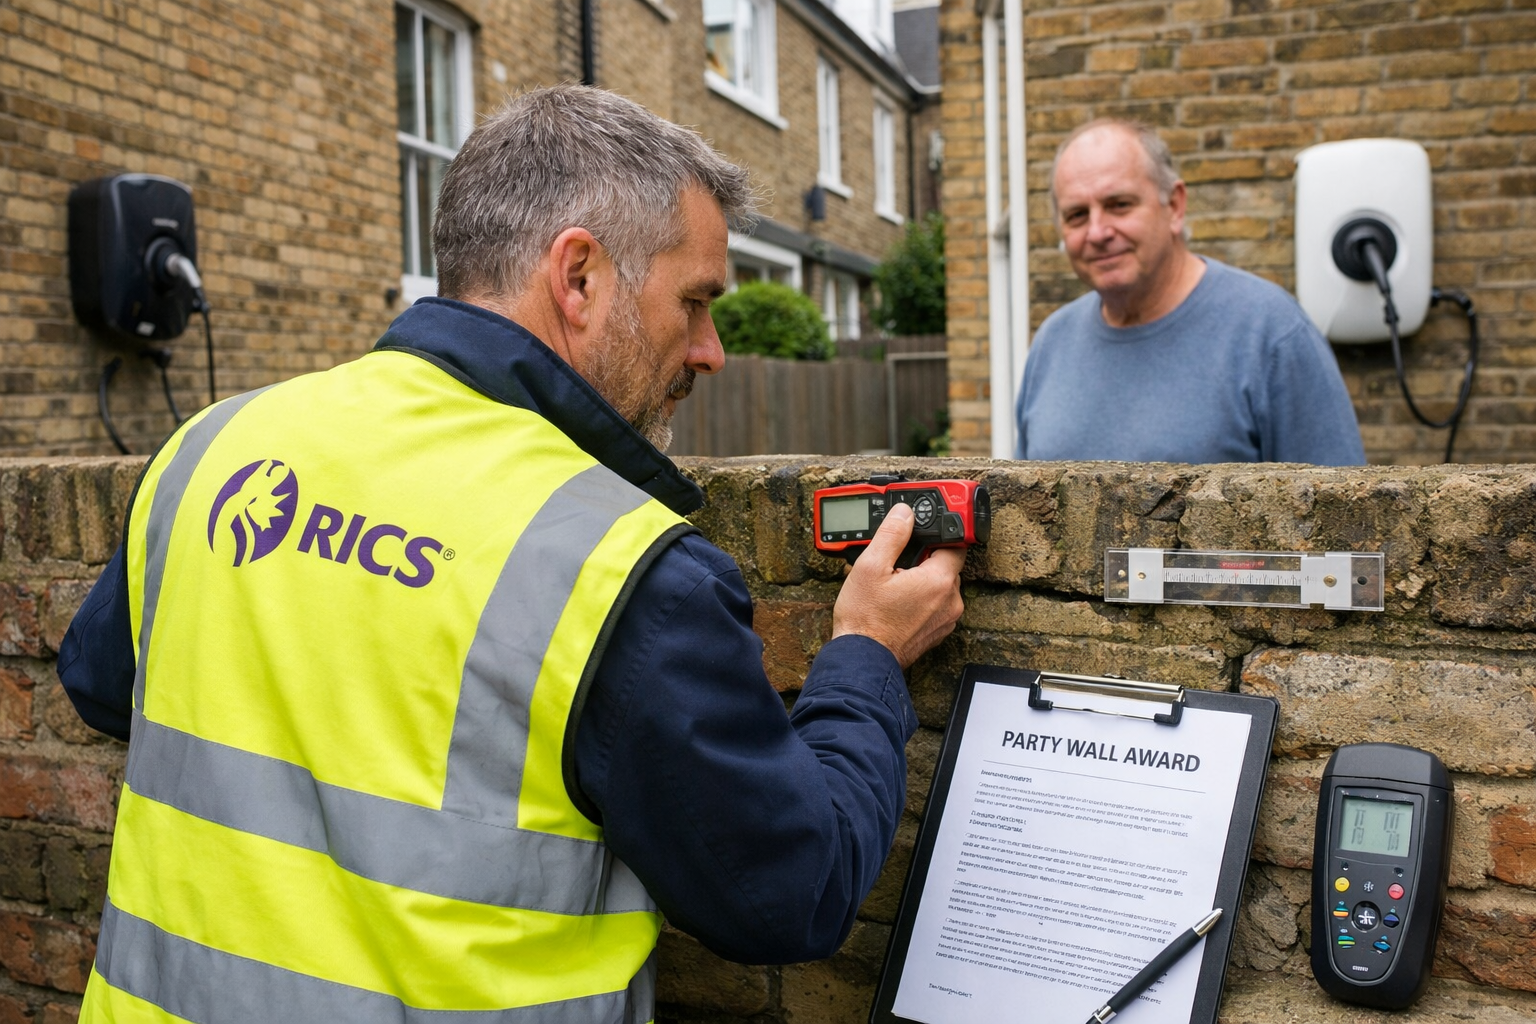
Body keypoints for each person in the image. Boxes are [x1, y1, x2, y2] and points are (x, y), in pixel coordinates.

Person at [57, 85, 966, 1023]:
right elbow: (790, 890)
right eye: (695, 301)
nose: (712, 350)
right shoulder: (618, 567)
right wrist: (865, 658)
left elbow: (102, 685)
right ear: (579, 277)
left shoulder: (216, 445)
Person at [1014, 119, 1365, 465]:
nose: (1097, 232)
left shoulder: (1271, 333)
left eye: (1119, 204)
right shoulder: (1052, 343)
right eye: (1076, 215)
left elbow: (1340, 512)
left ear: (1175, 206)